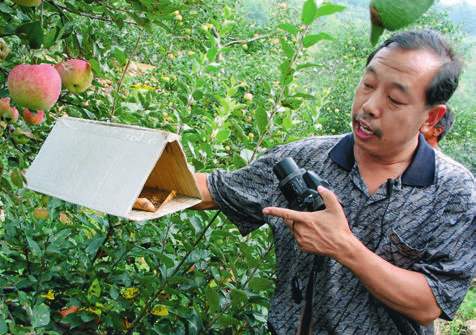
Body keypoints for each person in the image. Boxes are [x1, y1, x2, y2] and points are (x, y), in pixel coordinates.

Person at [192, 30, 475, 334]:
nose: (369, 105)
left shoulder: (453, 190)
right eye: (367, 84)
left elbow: (430, 303)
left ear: (431, 118)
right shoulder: (303, 158)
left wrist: (343, 246)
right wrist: (142, 169)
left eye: (394, 99)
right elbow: (212, 189)